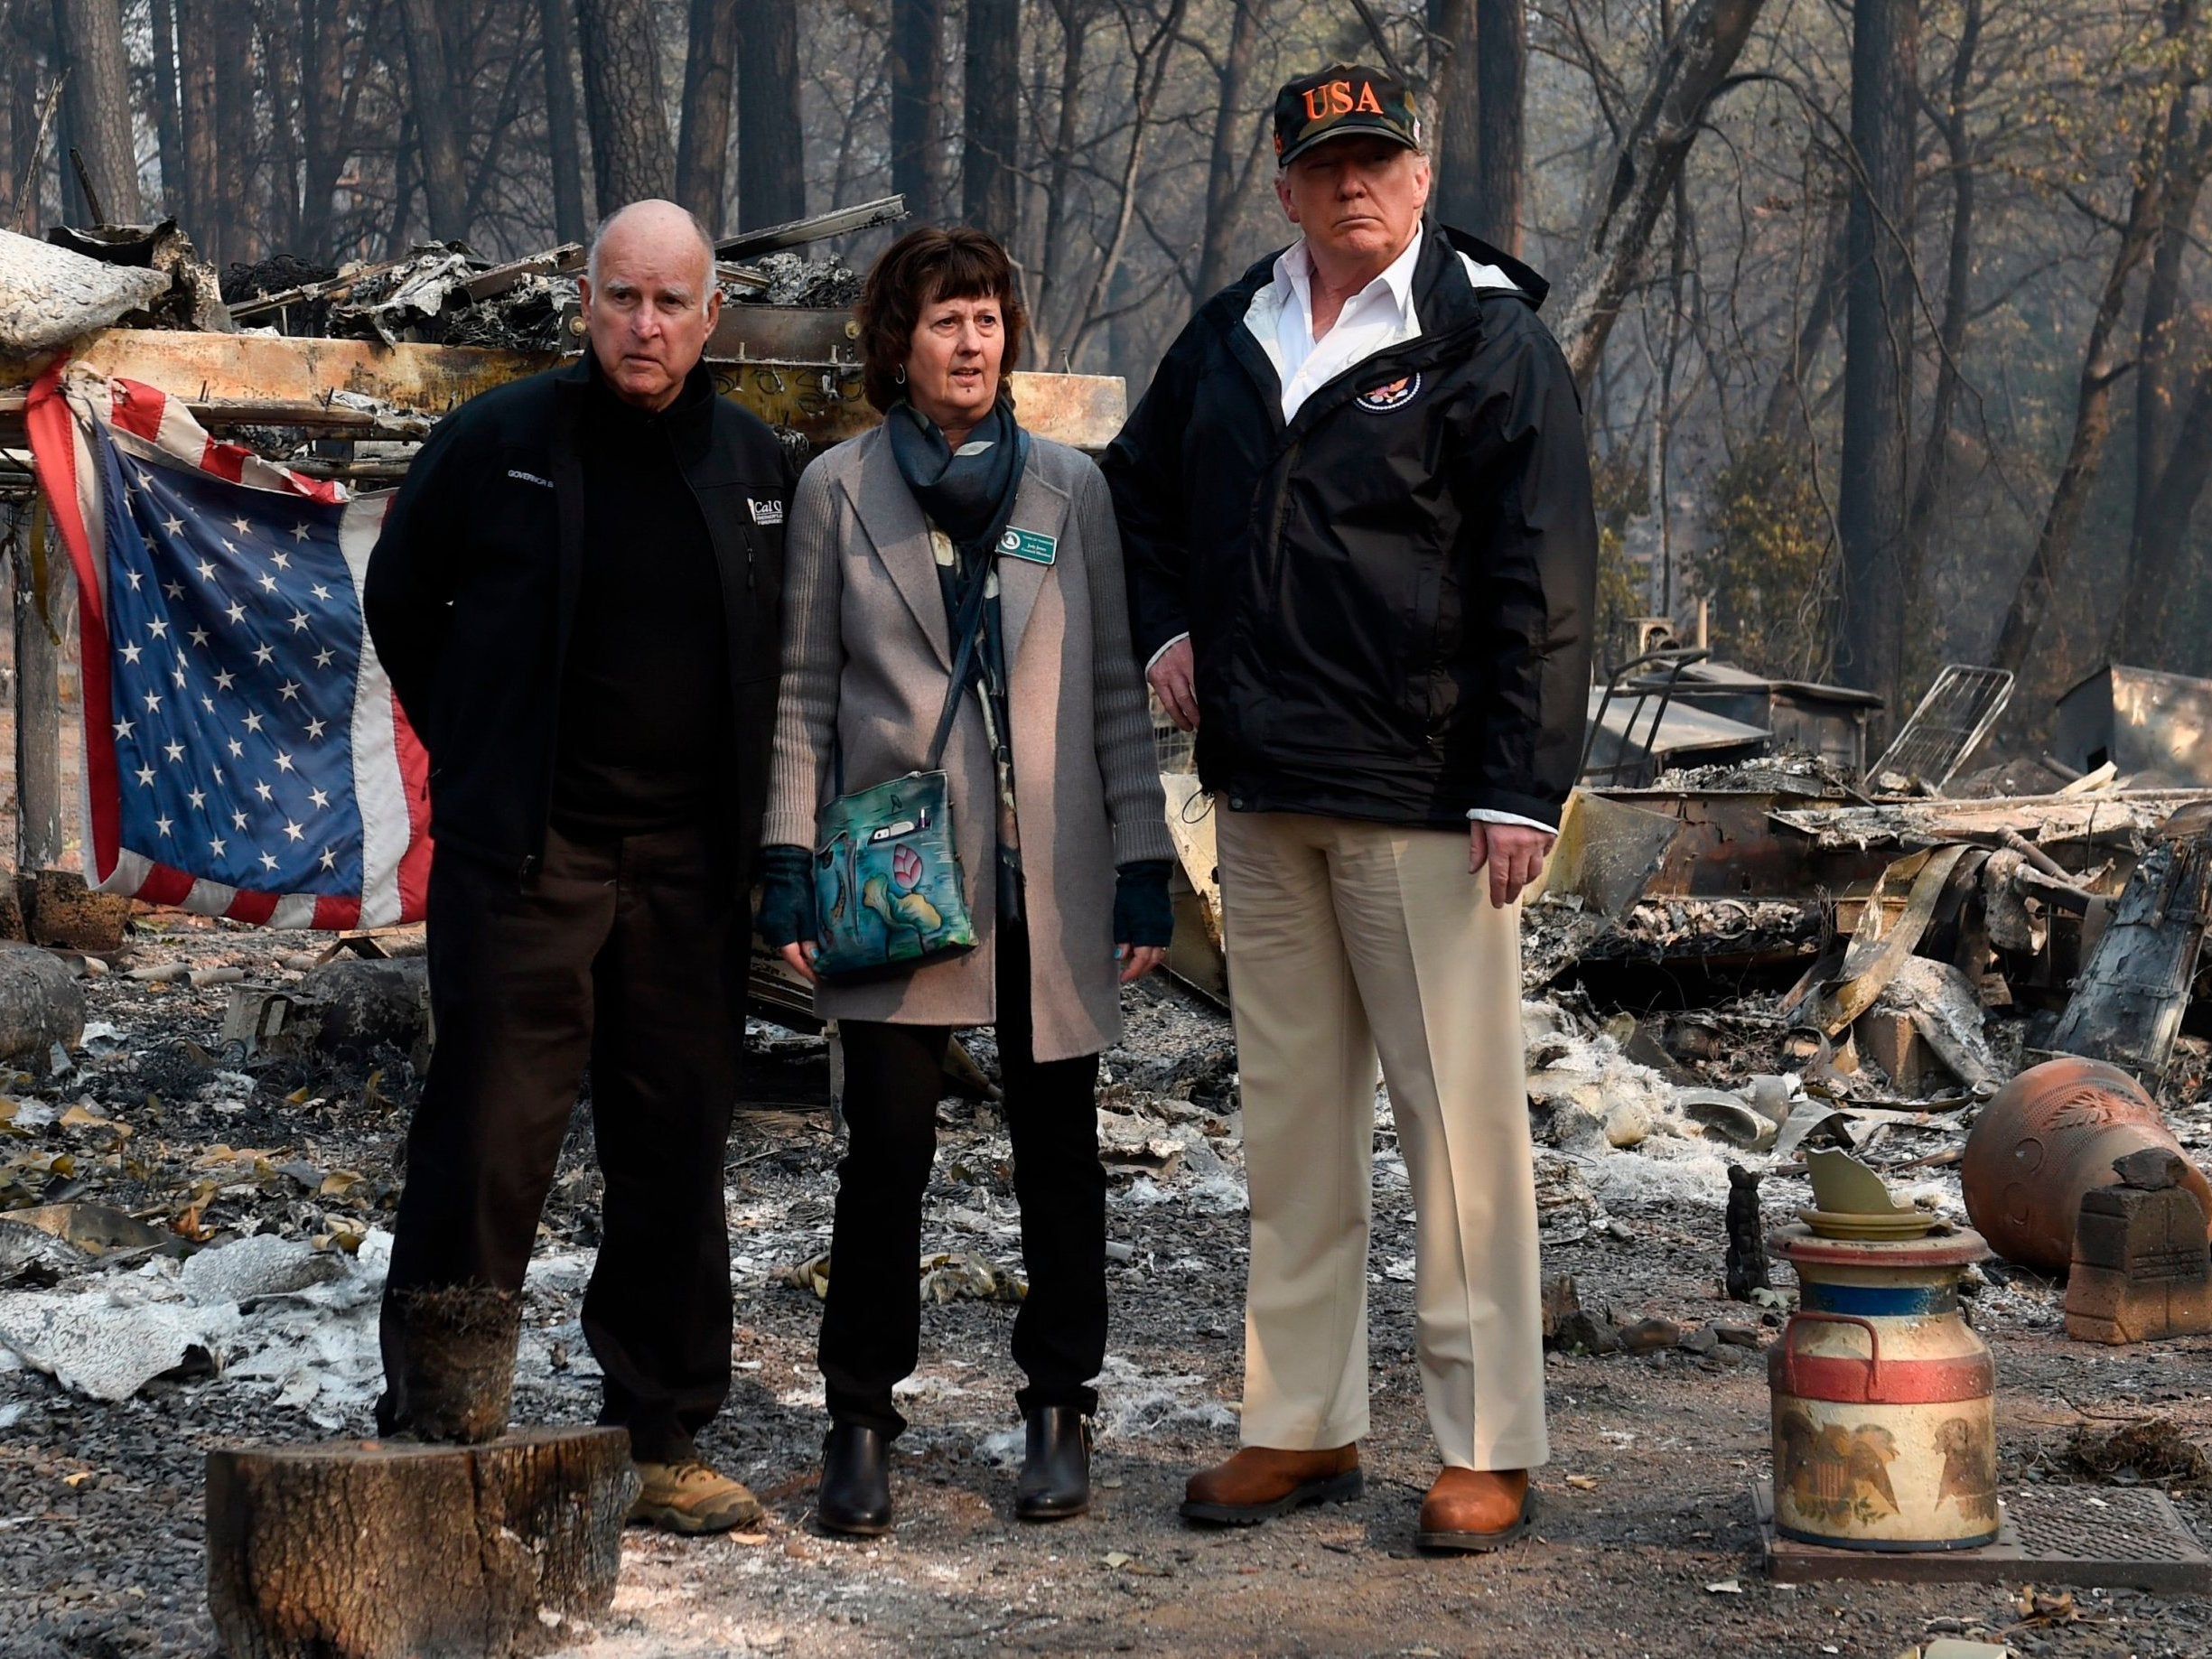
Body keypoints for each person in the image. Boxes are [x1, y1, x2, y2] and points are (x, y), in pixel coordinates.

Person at [1103, 65, 1597, 1552]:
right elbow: (1135, 498)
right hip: (1262, 795)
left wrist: (1522, 782)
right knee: (1294, 1130)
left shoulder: (1488, 343)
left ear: (1423, 175)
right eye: (1325, 166)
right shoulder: (1232, 332)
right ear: (1284, 184)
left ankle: (1486, 1442)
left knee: (1457, 1138)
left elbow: (1547, 579)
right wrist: (1165, 628)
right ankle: (1300, 1423)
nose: (1352, 187)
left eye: (1378, 160)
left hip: (1429, 801)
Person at [363, 200, 790, 1534]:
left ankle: (657, 1431)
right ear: (584, 306)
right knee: (488, 1133)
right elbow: (401, 602)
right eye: (621, 299)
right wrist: (487, 755)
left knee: (674, 1144)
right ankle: (442, 1422)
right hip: (528, 860)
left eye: (670, 303)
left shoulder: (753, 463)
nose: (644, 326)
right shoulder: (500, 444)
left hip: (686, 873)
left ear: (710, 316)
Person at [756, 225, 1175, 1537]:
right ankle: (859, 1422)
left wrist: (1143, 859)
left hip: (1042, 876)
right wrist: (784, 863)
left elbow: (1113, 685)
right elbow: (805, 696)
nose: (972, 339)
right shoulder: (836, 488)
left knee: (1057, 1156)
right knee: (883, 1156)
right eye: (945, 318)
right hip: (896, 876)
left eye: (988, 314)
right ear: (899, 341)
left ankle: (1059, 1408)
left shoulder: (1068, 488)